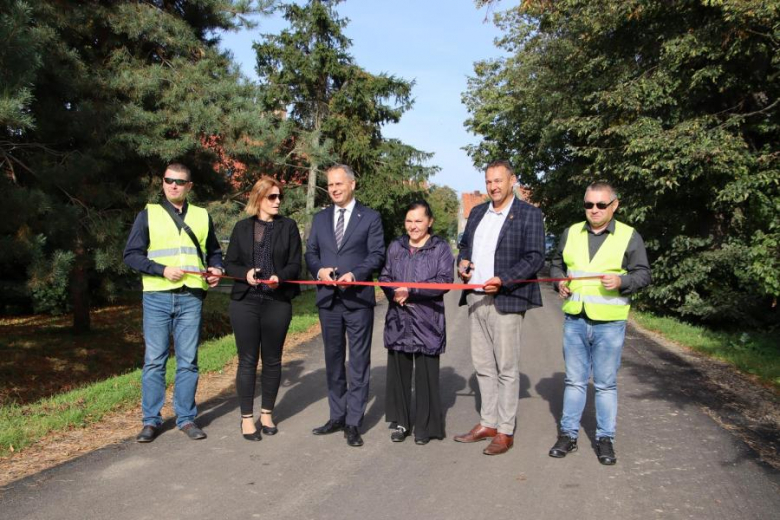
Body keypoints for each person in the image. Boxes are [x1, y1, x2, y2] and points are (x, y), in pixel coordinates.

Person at [548, 181, 651, 465]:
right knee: (574, 381)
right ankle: (568, 436)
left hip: (609, 324)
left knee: (605, 385)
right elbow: (556, 263)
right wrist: (560, 281)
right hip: (575, 319)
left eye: (600, 205)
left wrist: (622, 281)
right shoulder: (571, 232)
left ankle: (605, 440)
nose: (594, 210)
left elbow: (643, 274)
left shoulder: (629, 236)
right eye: (589, 204)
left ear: (614, 206)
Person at [123, 163, 223, 443]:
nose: (173, 185)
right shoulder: (148, 215)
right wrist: (161, 270)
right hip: (157, 296)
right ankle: (151, 421)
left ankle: (186, 418)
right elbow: (130, 255)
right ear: (163, 183)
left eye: (180, 182)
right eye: (169, 180)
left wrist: (216, 269)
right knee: (154, 361)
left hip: (191, 296)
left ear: (189, 186)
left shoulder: (203, 216)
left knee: (188, 361)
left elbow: (213, 252)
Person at [454, 160, 545, 455]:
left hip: (506, 299)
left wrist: (504, 280)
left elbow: (534, 258)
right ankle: (488, 423)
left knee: (506, 369)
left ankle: (505, 430)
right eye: (489, 181)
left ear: (512, 181)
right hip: (476, 298)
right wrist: (463, 264)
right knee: (482, 366)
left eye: (498, 181)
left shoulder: (529, 215)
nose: (493, 186)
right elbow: (465, 245)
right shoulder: (478, 211)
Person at [305, 164, 385, 447]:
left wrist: (357, 274)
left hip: (358, 300)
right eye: (330, 185)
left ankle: (353, 421)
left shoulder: (370, 218)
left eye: (339, 184)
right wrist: (319, 272)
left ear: (352, 184)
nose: (334, 189)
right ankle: (336, 416)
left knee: (359, 362)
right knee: (333, 361)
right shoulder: (321, 218)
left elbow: (377, 254)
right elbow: (311, 253)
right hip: (328, 300)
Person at [224, 176, 302, 441]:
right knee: (247, 360)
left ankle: (266, 413)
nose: (278, 201)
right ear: (258, 199)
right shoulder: (242, 228)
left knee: (272, 359)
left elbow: (295, 264)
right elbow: (229, 264)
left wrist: (280, 276)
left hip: (276, 302)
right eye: (272, 197)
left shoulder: (288, 226)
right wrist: (245, 273)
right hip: (245, 301)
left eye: (280, 197)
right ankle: (247, 418)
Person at [379, 200, 454, 445]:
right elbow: (385, 275)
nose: (413, 226)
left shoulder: (440, 248)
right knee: (398, 377)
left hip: (427, 322)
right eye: (409, 221)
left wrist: (411, 290)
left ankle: (425, 426)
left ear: (429, 222)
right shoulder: (396, 246)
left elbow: (444, 281)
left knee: (426, 378)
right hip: (398, 320)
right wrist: (394, 292)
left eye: (419, 221)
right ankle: (401, 422)